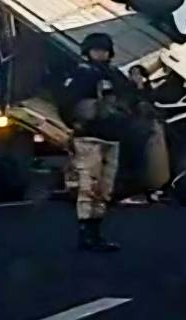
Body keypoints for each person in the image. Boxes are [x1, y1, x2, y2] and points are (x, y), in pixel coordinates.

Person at [60, 33, 130, 252]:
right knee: (89, 185)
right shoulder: (82, 74)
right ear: (88, 52)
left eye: (104, 50)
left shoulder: (115, 75)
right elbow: (66, 102)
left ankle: (95, 232)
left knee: (104, 188)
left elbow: (130, 98)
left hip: (111, 135)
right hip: (89, 136)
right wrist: (77, 123)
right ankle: (86, 233)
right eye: (96, 50)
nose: (100, 54)